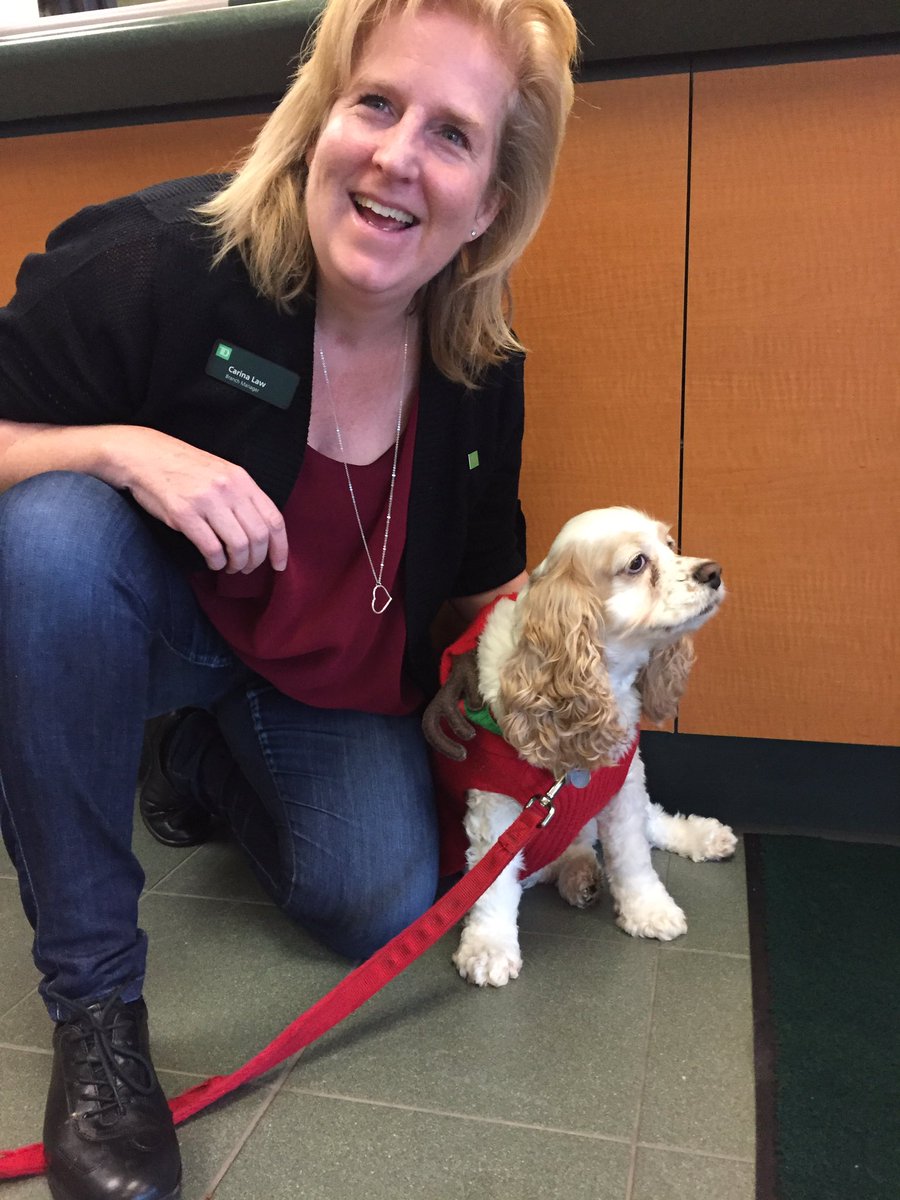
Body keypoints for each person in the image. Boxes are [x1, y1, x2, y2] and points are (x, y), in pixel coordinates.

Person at [0, 0, 578, 1196]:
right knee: (48, 534)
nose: (398, 156)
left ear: (489, 203)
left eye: (452, 135)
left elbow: (488, 587)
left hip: (323, 677)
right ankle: (97, 1013)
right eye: (377, 103)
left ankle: (196, 764)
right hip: (160, 621)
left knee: (380, 903)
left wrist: (533, 717)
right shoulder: (153, 262)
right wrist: (114, 448)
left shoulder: (483, 368)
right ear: (319, 117)